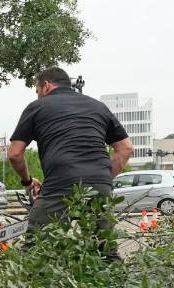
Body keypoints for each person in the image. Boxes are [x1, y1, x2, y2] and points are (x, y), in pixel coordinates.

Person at [8, 67, 134, 258]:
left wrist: (27, 182)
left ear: (46, 85)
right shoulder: (98, 106)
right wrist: (101, 179)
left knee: (37, 251)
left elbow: (15, 154)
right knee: (105, 251)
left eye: (37, 92)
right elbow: (126, 148)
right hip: (100, 184)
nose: (38, 96)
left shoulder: (37, 107)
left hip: (60, 183)